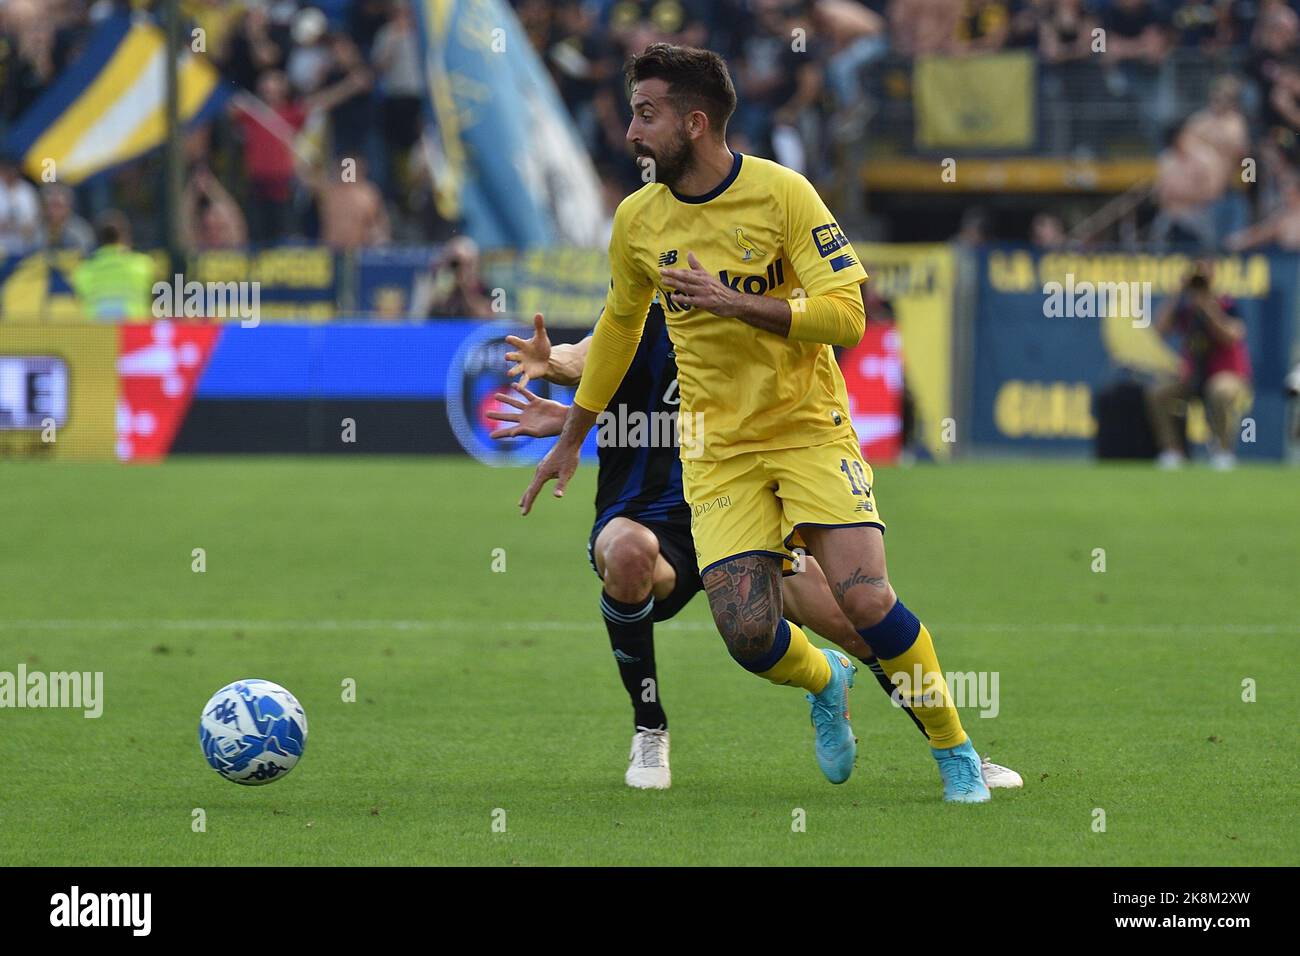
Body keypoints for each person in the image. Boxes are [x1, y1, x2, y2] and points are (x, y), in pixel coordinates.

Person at [521, 44, 1003, 802]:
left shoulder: (785, 195)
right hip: (716, 451)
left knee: (865, 598)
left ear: (696, 121)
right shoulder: (638, 220)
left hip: (805, 427)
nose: (631, 133)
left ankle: (957, 754)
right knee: (748, 637)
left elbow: (847, 316)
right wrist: (571, 439)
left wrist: (734, 301)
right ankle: (827, 679)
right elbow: (617, 331)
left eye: (646, 115)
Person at [494, 309, 1022, 792]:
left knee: (859, 622)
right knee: (628, 553)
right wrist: (554, 365)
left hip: (748, 512)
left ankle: (953, 747)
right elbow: (585, 356)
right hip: (654, 519)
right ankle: (649, 726)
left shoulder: (749, 312)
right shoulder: (640, 316)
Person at [1146, 262, 1252, 470]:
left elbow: (1233, 336)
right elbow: (1158, 331)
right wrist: (1177, 294)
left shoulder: (1226, 304)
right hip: (1193, 376)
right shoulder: (1184, 308)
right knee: (1158, 392)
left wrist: (1209, 309)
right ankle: (1172, 452)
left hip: (1227, 375)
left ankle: (1223, 452)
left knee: (1219, 391)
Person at [71, 211, 156, 322]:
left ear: (99, 239)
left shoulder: (83, 270)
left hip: (96, 334)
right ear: (125, 236)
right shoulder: (144, 265)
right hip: (134, 333)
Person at [38, 183, 94, 255]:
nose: (53, 211)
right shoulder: (37, 229)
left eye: (58, 206)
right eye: (50, 206)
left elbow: (88, 256)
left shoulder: (81, 230)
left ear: (69, 206)